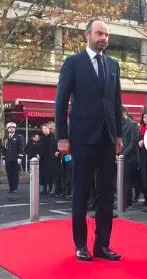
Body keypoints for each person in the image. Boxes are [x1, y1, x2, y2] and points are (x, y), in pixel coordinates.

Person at [55, 19, 123, 261]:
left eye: (107, 34)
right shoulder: (73, 63)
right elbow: (61, 102)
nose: (103, 38)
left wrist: (118, 134)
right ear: (87, 35)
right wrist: (61, 137)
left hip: (106, 139)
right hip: (81, 139)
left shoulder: (113, 65)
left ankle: (102, 245)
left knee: (106, 195)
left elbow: (116, 103)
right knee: (81, 194)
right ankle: (81, 245)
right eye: (99, 33)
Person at [2, 122, 24, 193]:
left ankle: (15, 188)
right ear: (7, 129)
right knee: (9, 174)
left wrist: (20, 157)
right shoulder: (5, 138)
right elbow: (4, 149)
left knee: (15, 174)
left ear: (15, 129)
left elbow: (21, 147)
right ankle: (11, 188)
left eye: (13, 127)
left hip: (15, 159)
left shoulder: (18, 137)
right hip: (8, 159)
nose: (12, 129)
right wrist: (3, 158)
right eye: (10, 127)